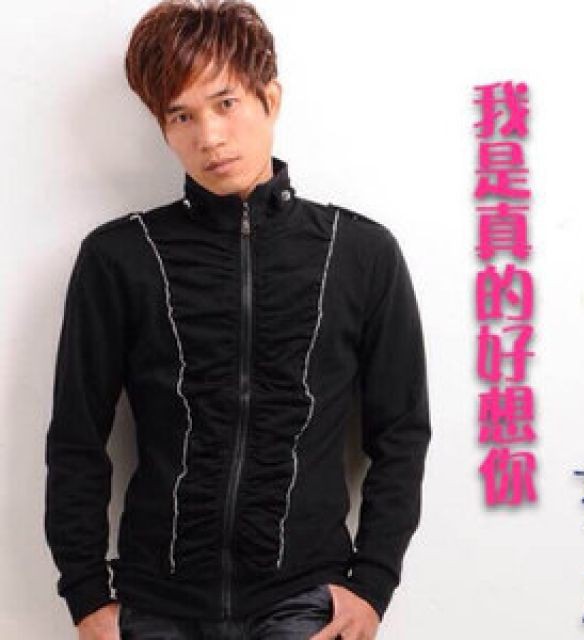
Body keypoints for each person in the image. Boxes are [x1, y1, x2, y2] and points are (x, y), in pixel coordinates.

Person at [43, 1, 432, 638]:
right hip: (155, 601)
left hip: (304, 599)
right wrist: (86, 595)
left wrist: (372, 584)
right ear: (163, 128)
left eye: (225, 103)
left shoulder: (360, 254)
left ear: (269, 99)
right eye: (182, 116)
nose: (209, 137)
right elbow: (77, 436)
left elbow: (402, 432)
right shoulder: (120, 258)